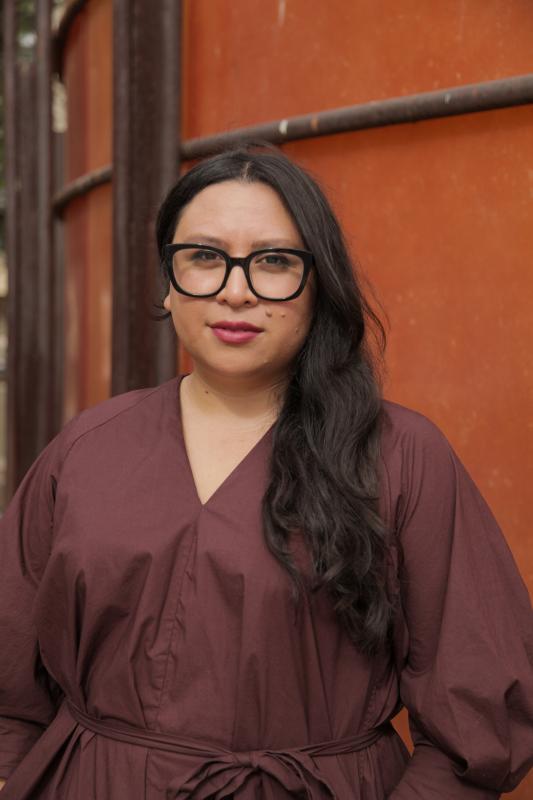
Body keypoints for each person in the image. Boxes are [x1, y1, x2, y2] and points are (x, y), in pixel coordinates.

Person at [0, 144, 532, 800]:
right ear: (167, 281)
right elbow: (9, 682)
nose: (234, 290)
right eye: (203, 257)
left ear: (318, 282)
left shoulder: (400, 457)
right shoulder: (88, 448)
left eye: (273, 262)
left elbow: (474, 714)